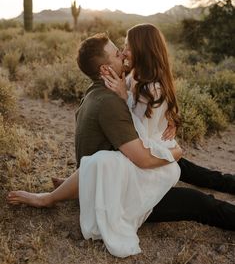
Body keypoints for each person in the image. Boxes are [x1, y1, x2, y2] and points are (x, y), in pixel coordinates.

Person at [7, 26, 235, 257]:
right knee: (198, 202)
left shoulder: (99, 88)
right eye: (118, 52)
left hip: (115, 174)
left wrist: (169, 120)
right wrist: (174, 151)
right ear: (105, 68)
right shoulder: (111, 102)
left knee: (180, 164)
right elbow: (141, 159)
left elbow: (104, 156)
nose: (123, 53)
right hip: (118, 192)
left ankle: (229, 183)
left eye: (124, 48)